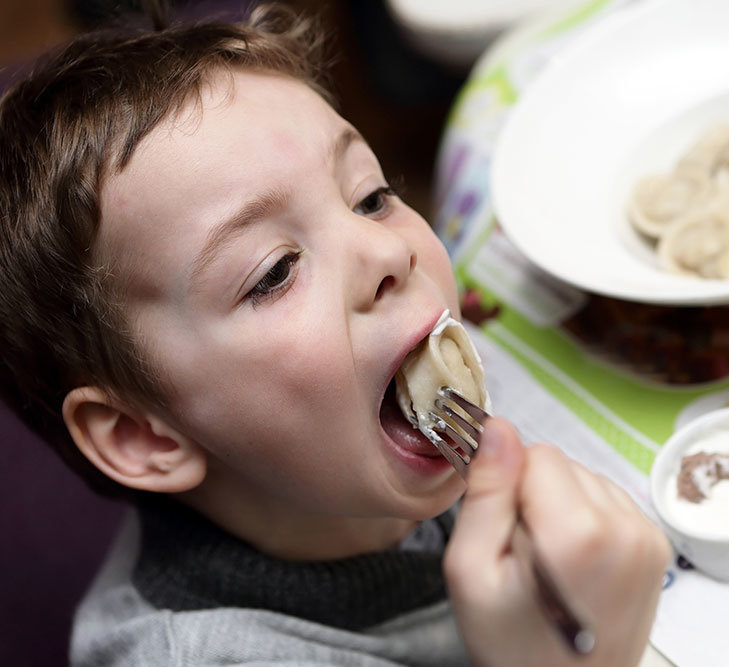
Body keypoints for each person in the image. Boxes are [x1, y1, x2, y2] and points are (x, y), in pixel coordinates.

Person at [0, 4, 671, 666]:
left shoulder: (344, 452)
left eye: (371, 197)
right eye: (275, 272)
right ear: (143, 434)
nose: (386, 253)